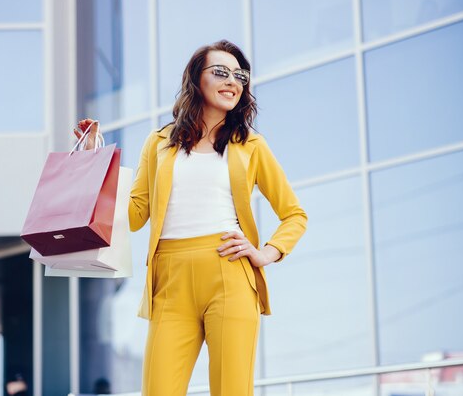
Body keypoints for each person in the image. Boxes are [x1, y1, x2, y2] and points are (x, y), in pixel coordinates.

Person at [74, 39, 307, 396]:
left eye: (240, 76)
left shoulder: (250, 145)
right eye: (221, 72)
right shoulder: (159, 142)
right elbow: (135, 215)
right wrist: (95, 164)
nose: (233, 81)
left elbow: (294, 215)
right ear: (196, 80)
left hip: (229, 273)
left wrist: (266, 253)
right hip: (169, 280)